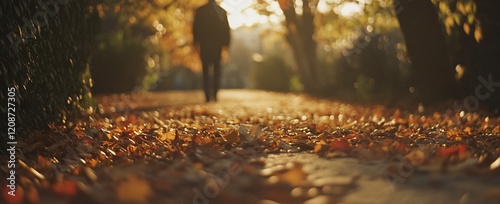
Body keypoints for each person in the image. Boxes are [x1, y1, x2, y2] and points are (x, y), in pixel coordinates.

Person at [192, 0, 230, 102]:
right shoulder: (221, 11)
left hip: (205, 44)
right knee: (217, 69)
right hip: (217, 45)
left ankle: (207, 95)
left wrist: (196, 42)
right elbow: (226, 28)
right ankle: (215, 93)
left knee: (205, 69)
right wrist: (226, 43)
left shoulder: (200, 11)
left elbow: (196, 27)